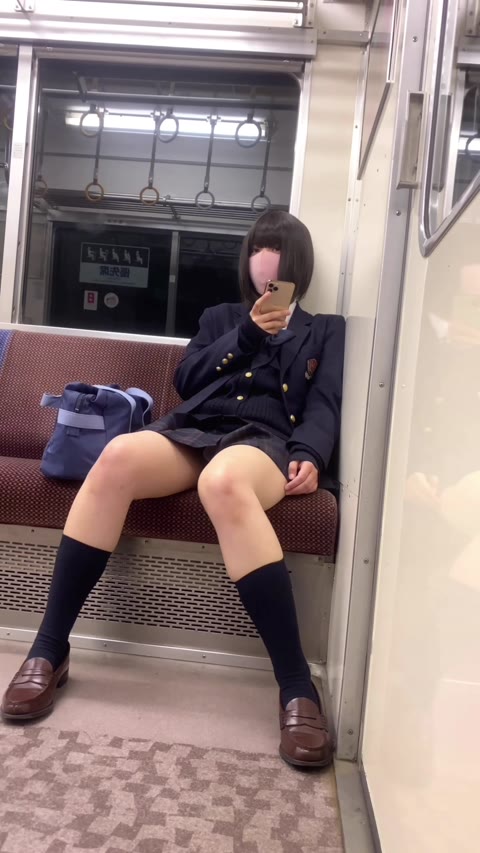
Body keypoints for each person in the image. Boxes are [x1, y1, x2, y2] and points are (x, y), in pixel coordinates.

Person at [1, 210, 345, 769]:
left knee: (223, 481)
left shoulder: (325, 329)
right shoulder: (220, 318)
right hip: (194, 430)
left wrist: (311, 453)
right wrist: (248, 332)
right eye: (258, 254)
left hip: (264, 442)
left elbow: (324, 403)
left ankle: (296, 684)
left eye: (277, 257)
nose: (265, 267)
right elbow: (186, 382)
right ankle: (49, 648)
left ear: (296, 267)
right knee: (116, 458)